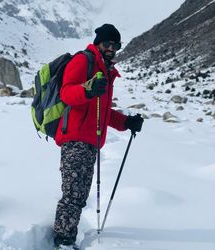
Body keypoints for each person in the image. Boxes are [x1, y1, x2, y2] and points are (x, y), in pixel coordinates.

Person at [53, 24, 144, 250]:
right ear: (98, 43)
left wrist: (126, 122)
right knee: (73, 194)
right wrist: (87, 88)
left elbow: (102, 111)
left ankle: (66, 237)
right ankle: (62, 241)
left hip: (90, 142)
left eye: (116, 45)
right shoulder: (83, 61)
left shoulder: (107, 70)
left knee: (79, 193)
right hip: (75, 139)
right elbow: (67, 93)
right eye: (107, 43)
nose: (112, 48)